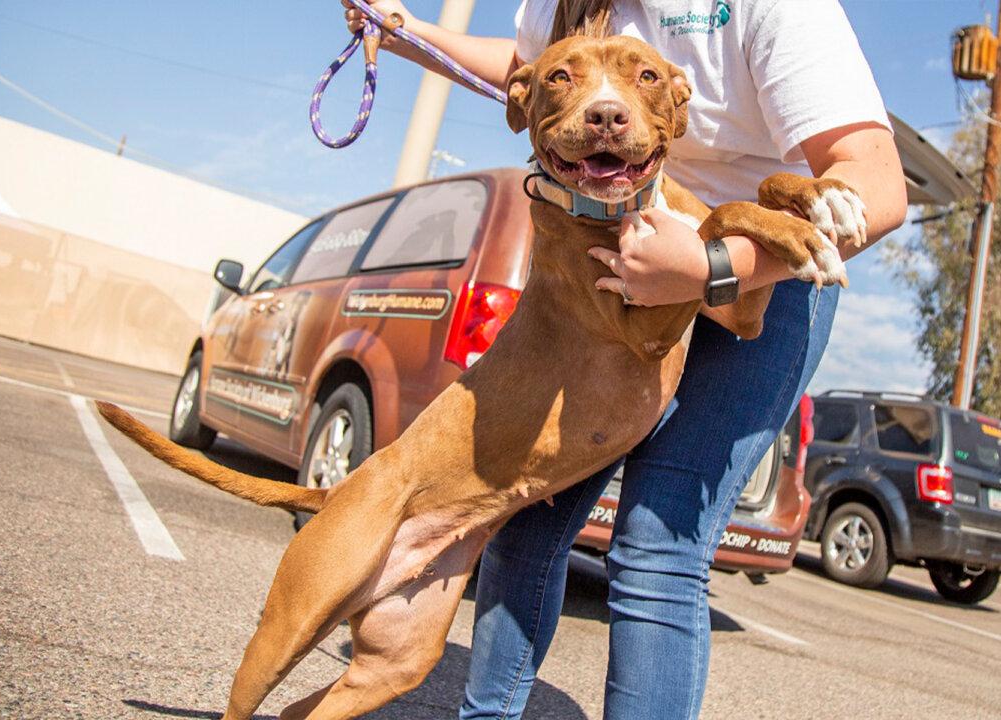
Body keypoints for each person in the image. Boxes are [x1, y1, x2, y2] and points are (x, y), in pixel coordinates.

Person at [341, 1, 907, 718]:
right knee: (529, 516)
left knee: (656, 546)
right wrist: (408, 33)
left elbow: (879, 187)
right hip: (622, 241)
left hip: (765, 263)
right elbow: (527, 66)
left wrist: (707, 267)